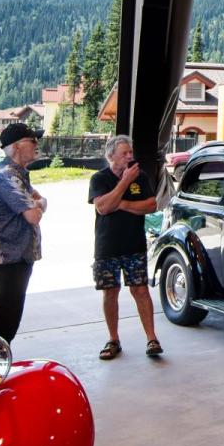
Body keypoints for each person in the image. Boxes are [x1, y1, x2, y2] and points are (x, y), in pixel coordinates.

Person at [89, 135, 161, 359]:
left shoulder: (141, 176)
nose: (130, 156)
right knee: (110, 292)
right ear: (111, 156)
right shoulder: (99, 179)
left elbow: (151, 205)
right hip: (107, 246)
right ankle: (113, 339)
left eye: (131, 152)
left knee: (141, 290)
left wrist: (121, 203)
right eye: (124, 153)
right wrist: (124, 183)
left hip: (134, 244)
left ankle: (152, 339)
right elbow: (102, 208)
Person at [0, 122, 46, 342]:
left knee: (9, 318)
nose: (36, 144)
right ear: (17, 146)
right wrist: (40, 203)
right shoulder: (6, 178)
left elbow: (37, 202)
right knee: (6, 320)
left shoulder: (18, 175)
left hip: (18, 257)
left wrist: (38, 203)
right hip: (9, 258)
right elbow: (34, 215)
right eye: (32, 140)